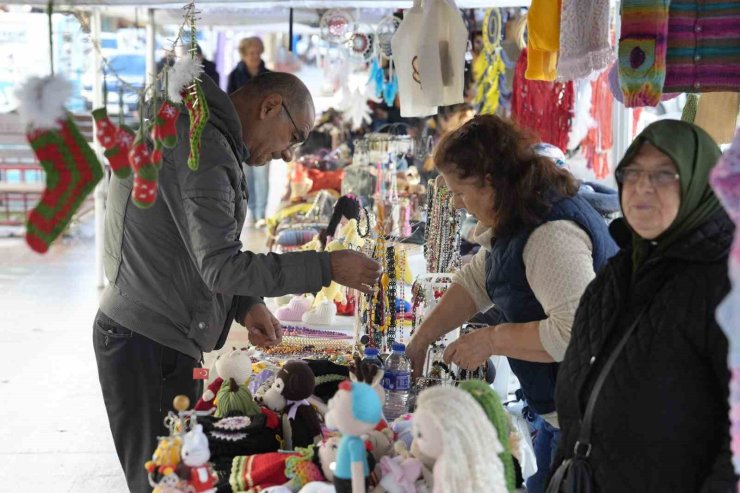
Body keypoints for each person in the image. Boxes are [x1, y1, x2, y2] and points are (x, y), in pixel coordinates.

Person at [94, 71, 381, 493]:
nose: (289, 154)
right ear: (269, 107)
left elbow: (200, 245)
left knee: (175, 474)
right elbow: (221, 265)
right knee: (164, 481)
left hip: (157, 332)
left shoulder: (203, 132)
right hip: (149, 339)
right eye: (294, 135)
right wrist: (327, 266)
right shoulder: (204, 144)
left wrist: (245, 302)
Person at [405, 115, 618, 493]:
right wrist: (422, 339)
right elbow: (477, 281)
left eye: (459, 192)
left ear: (488, 182)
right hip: (563, 410)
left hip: (600, 419)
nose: (457, 205)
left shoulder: (550, 234)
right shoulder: (520, 212)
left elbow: (577, 332)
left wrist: (491, 341)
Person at [551, 120, 737, 492]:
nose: (642, 188)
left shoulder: (724, 283)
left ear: (701, 181)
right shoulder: (616, 274)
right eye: (632, 173)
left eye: (664, 175)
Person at [227, 37, 272, 226]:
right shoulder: (234, 76)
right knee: (246, 175)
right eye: (251, 53)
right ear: (244, 54)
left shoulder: (268, 76)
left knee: (262, 173)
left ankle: (261, 212)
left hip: (266, 133)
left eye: (257, 52)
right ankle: (252, 211)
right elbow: (228, 104)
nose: (255, 56)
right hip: (242, 134)